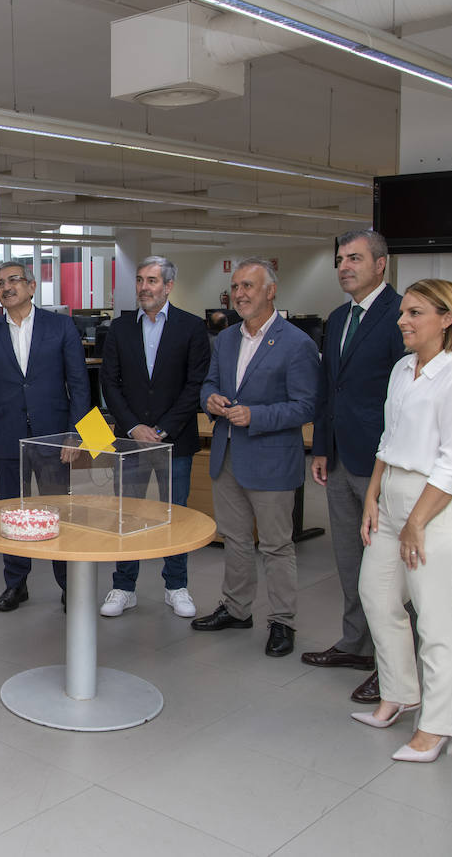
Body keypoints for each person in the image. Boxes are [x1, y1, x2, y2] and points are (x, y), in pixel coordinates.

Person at [356, 279, 452, 763]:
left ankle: (436, 726)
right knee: (377, 594)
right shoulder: (402, 368)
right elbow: (388, 442)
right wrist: (373, 497)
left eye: (414, 313)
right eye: (403, 313)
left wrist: (415, 522)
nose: (403, 321)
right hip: (392, 497)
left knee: (438, 620)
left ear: (446, 318)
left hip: (438, 508)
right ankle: (401, 693)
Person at [194, 258, 318, 657]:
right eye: (235, 287)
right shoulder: (226, 338)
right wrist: (209, 399)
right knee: (234, 540)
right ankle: (236, 608)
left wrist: (257, 415)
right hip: (228, 455)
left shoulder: (297, 343)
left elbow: (305, 406)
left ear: (271, 291)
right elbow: (209, 382)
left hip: (270, 460)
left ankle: (282, 621)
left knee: (277, 546)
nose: (240, 294)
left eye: (248, 286)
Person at [306, 230, 404, 705]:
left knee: (385, 569)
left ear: (381, 264)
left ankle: (393, 667)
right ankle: (355, 645)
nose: (344, 266)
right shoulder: (338, 316)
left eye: (355, 258)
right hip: (340, 457)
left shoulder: (401, 314)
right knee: (349, 559)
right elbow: (329, 389)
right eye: (340, 259)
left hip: (381, 461)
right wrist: (321, 446)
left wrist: (390, 461)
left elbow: (406, 398)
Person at [0, 260, 89, 612]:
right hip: (6, 440)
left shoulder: (61, 327)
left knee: (58, 512)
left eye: (14, 280)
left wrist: (75, 435)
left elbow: (79, 387)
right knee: (10, 513)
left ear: (32, 287)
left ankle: (68, 585)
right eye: (1, 283)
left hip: (54, 438)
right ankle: (16, 584)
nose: (7, 287)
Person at [97, 256, 209, 618]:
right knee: (125, 514)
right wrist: (133, 428)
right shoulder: (120, 328)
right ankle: (123, 587)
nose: (145, 287)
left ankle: (176, 586)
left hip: (174, 441)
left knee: (174, 513)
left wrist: (162, 430)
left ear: (169, 286)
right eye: (141, 280)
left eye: (153, 281)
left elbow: (195, 386)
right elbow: (109, 384)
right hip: (129, 442)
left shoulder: (192, 328)